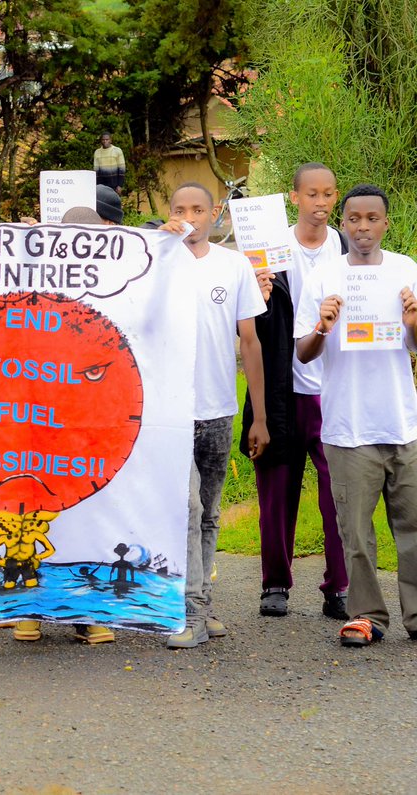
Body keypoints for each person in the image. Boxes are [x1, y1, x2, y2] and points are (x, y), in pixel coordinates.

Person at [294, 183, 417, 647]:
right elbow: (304, 355)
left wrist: (412, 322)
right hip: (347, 429)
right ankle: (367, 616)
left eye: (372, 219)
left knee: (413, 527)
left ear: (386, 223)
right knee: (357, 535)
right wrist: (322, 328)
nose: (363, 227)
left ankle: (416, 614)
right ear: (343, 225)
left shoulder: (406, 270)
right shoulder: (326, 276)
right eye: (354, 220)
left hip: (403, 423)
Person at [166, 182, 269, 649]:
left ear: (214, 215)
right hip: (170, 412)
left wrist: (259, 415)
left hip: (218, 409)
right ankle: (188, 611)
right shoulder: (157, 263)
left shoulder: (234, 265)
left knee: (208, 510)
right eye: (180, 209)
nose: (190, 216)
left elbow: (249, 341)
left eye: (199, 209)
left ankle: (204, 603)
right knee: (185, 508)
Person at [244, 163, 348, 619]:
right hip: (280, 389)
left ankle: (338, 587)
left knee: (339, 495)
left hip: (335, 392)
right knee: (276, 492)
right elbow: (250, 327)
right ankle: (275, 584)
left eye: (328, 194)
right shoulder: (269, 249)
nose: (320, 203)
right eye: (311, 194)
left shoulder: (346, 249)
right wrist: (259, 294)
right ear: (294, 197)